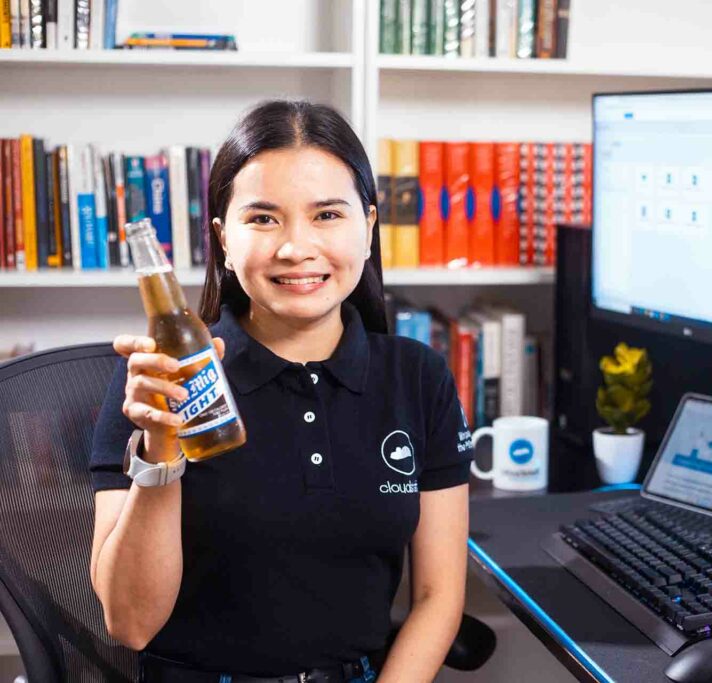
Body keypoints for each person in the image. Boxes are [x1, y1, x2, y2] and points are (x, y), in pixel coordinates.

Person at [88, 100, 474, 683]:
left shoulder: (419, 377)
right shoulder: (160, 380)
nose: (296, 247)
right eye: (264, 219)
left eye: (326, 215)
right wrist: (160, 446)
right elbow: (131, 624)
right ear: (223, 239)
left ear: (369, 229)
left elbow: (437, 597)